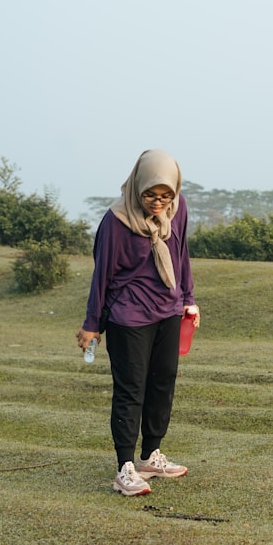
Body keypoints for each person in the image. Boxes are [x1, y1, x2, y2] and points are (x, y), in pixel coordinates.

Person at [77, 149, 200, 497]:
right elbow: (101, 275)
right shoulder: (115, 221)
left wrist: (188, 299)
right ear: (137, 187)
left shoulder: (179, 209)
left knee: (164, 382)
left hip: (168, 311)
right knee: (132, 389)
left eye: (165, 195)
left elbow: (181, 255)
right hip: (127, 316)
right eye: (150, 195)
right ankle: (125, 467)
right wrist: (92, 324)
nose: (157, 203)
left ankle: (150, 456)